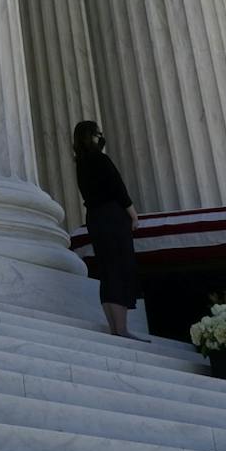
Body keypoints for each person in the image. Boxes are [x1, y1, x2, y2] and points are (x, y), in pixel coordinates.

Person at [73, 119, 142, 339]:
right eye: (97, 134)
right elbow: (117, 187)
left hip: (95, 217)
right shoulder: (101, 160)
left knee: (107, 269)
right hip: (112, 215)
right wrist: (133, 213)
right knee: (120, 268)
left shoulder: (81, 164)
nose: (100, 137)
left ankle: (116, 327)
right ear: (90, 136)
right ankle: (121, 329)